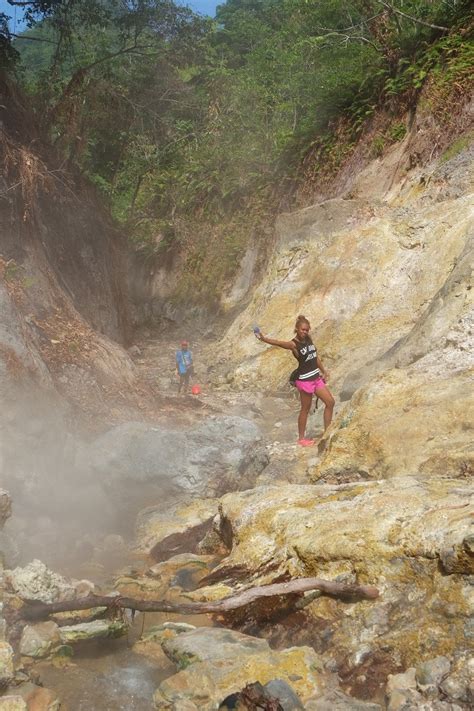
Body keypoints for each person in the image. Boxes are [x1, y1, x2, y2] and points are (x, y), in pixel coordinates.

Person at [255, 315, 335, 446]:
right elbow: (279, 343)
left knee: (330, 402)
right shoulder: (294, 344)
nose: (305, 332)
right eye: (303, 329)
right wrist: (264, 339)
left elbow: (314, 356)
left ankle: (327, 432)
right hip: (305, 380)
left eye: (307, 330)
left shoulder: (308, 339)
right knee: (305, 408)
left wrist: (324, 370)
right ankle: (301, 438)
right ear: (297, 329)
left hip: (316, 377)